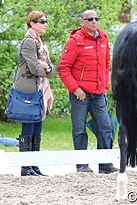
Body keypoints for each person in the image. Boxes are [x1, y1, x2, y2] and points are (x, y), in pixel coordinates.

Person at [58, 10, 118, 174]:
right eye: (90, 19)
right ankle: (82, 165)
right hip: (80, 95)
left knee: (106, 127)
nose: (94, 21)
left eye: (96, 18)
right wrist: (75, 89)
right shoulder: (75, 41)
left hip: (99, 94)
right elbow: (63, 68)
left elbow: (106, 65)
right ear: (83, 21)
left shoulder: (104, 38)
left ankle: (105, 165)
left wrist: (105, 86)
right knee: (79, 129)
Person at [14, 11, 54, 176]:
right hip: (28, 88)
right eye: (42, 21)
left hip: (40, 88)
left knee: (38, 125)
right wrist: (45, 67)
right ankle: (25, 167)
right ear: (32, 23)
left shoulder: (41, 43)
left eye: (46, 21)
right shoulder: (29, 42)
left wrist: (45, 67)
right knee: (29, 125)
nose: (45, 24)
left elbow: (50, 69)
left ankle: (34, 166)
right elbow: (34, 68)